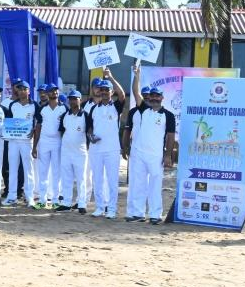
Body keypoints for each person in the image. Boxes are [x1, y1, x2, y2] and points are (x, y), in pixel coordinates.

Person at [122, 87, 176, 224]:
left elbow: (170, 136)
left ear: (162, 98)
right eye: (151, 96)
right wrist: (137, 73)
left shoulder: (168, 115)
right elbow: (135, 91)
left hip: (156, 155)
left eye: (157, 96)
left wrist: (168, 155)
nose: (154, 98)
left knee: (155, 185)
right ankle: (137, 213)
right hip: (139, 154)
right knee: (139, 184)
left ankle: (155, 214)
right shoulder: (143, 110)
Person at [86, 72, 126, 219]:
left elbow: (122, 94)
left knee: (112, 180)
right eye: (101, 90)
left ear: (111, 92)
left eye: (106, 90)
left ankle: (112, 209)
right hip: (96, 148)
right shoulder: (93, 109)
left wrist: (110, 77)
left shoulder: (116, 106)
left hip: (112, 149)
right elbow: (89, 127)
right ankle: (99, 207)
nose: (103, 92)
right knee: (97, 178)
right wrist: (91, 137)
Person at [5, 80, 39, 207]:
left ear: (29, 91)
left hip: (27, 142)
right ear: (17, 91)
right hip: (13, 141)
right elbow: (8, 122)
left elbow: (39, 122)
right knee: (12, 168)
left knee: (28, 169)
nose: (22, 91)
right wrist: (6, 132)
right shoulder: (13, 105)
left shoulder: (34, 105)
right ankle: (11, 196)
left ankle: (29, 197)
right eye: (19, 89)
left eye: (24, 89)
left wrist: (34, 131)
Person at [34, 84, 67, 210]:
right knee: (43, 171)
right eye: (51, 91)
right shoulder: (42, 108)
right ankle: (42, 200)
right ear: (47, 94)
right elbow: (38, 127)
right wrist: (34, 146)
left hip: (58, 142)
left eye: (55, 91)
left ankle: (55, 200)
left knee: (56, 171)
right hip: (44, 141)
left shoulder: (64, 108)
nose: (54, 93)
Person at [59, 90, 91, 214]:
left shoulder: (86, 115)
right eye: (71, 99)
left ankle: (82, 203)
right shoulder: (65, 115)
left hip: (80, 152)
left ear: (80, 100)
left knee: (81, 178)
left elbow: (89, 131)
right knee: (66, 178)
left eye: (75, 99)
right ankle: (66, 203)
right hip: (66, 151)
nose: (73, 101)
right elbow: (62, 131)